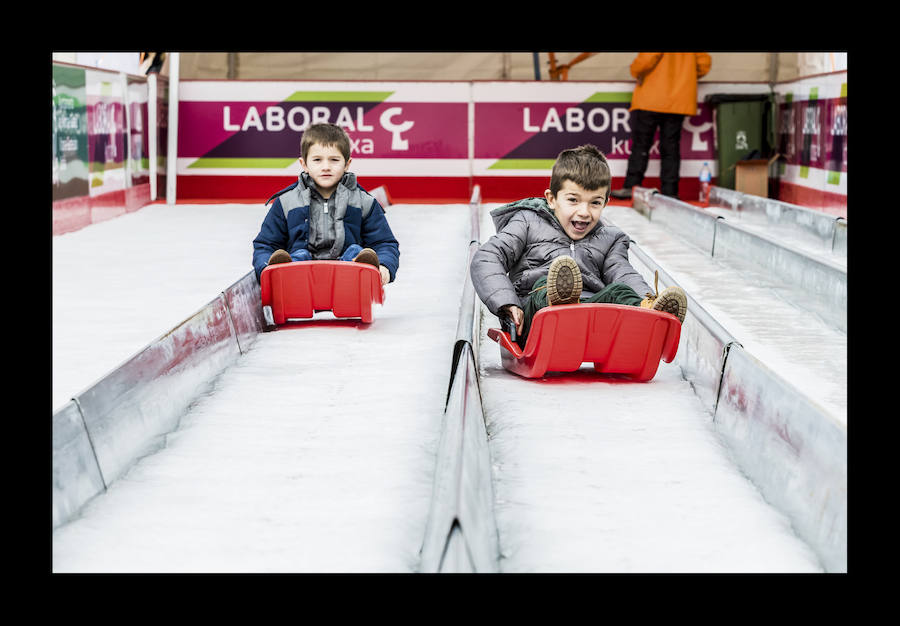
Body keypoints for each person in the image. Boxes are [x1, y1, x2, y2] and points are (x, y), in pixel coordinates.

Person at [470, 144, 687, 348]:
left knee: (618, 291)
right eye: (573, 200)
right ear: (552, 199)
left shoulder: (609, 238)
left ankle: (653, 316)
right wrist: (507, 304)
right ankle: (561, 299)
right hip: (536, 317)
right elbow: (488, 257)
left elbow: (624, 274)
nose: (584, 211)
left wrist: (645, 296)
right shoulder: (527, 222)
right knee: (546, 284)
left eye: (595, 202)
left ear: (605, 203)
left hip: (590, 317)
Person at [252, 123, 399, 286]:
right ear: (304, 164)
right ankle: (284, 271)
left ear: (347, 164)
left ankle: (363, 270)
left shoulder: (363, 201)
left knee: (355, 252)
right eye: (317, 160)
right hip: (300, 281)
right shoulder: (287, 202)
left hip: (347, 278)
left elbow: (384, 242)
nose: (326, 167)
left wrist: (385, 266)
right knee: (298, 255)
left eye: (334, 160)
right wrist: (264, 268)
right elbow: (266, 244)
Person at [610, 52, 712, 200]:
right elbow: (704, 64)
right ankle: (670, 191)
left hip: (651, 98)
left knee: (641, 145)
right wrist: (685, 74)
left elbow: (646, 60)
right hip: (678, 100)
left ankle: (631, 187)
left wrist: (635, 71)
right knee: (671, 147)